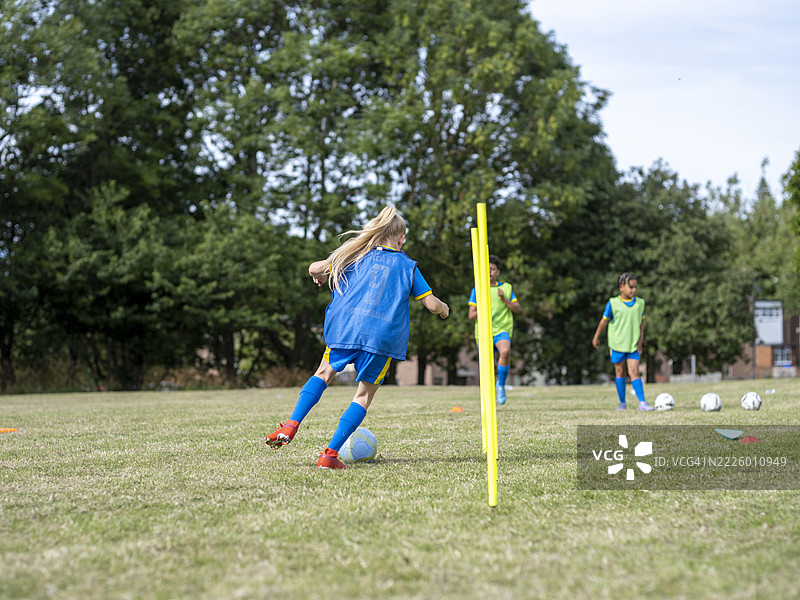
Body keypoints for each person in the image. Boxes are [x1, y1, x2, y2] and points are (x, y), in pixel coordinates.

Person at [265, 207, 450, 469]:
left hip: (347, 328)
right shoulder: (408, 267)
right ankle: (329, 455)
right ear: (401, 239)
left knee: (323, 373)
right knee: (362, 396)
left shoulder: (355, 255)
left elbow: (314, 268)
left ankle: (291, 424)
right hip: (381, 338)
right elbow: (431, 305)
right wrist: (444, 309)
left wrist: (319, 273)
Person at [592, 272, 654, 411]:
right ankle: (622, 403)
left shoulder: (640, 303)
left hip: (632, 345)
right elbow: (603, 322)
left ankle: (642, 402)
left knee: (634, 372)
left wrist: (640, 342)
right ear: (621, 287)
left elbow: (641, 325)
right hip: (617, 344)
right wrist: (596, 337)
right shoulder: (613, 304)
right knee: (620, 373)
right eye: (631, 287)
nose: (633, 290)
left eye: (635, 287)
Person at [468, 255, 521, 405]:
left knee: (505, 351)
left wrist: (504, 299)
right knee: (488, 365)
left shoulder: (506, 288)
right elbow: (471, 315)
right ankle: (490, 391)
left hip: (502, 328)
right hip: (484, 331)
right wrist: (482, 308)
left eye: (492, 269)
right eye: (487, 269)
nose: (490, 272)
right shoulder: (477, 289)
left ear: (498, 272)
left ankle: (501, 385)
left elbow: (517, 308)